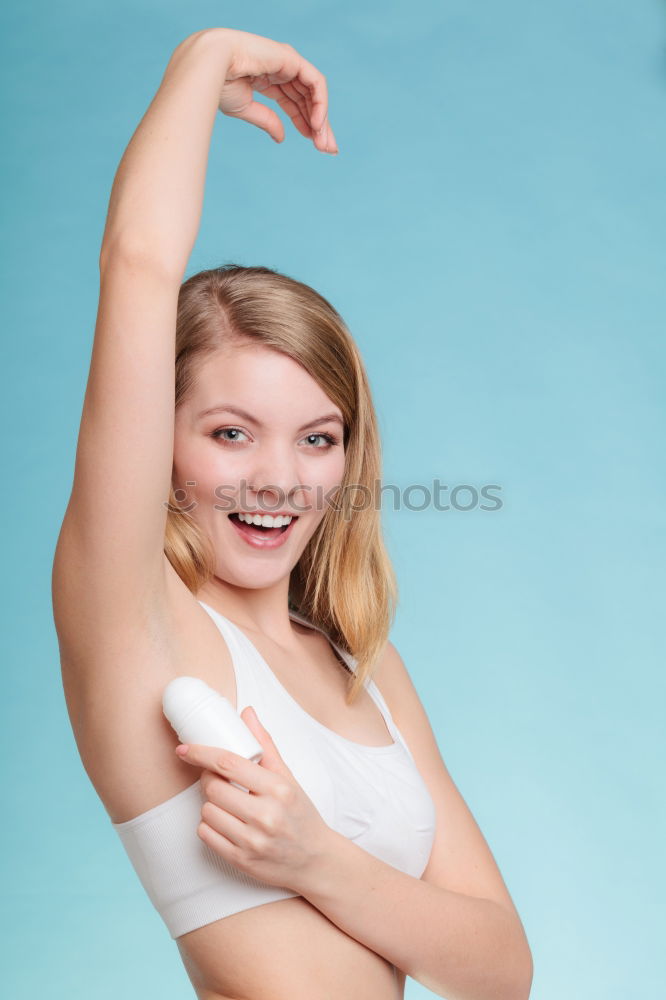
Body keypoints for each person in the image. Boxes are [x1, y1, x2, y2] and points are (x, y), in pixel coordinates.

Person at [52, 26, 533, 1000]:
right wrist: (203, 55)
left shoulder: (365, 662)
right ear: (163, 443)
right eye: (231, 434)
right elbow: (139, 261)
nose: (279, 478)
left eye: (318, 438)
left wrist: (316, 858)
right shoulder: (135, 614)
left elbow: (502, 969)